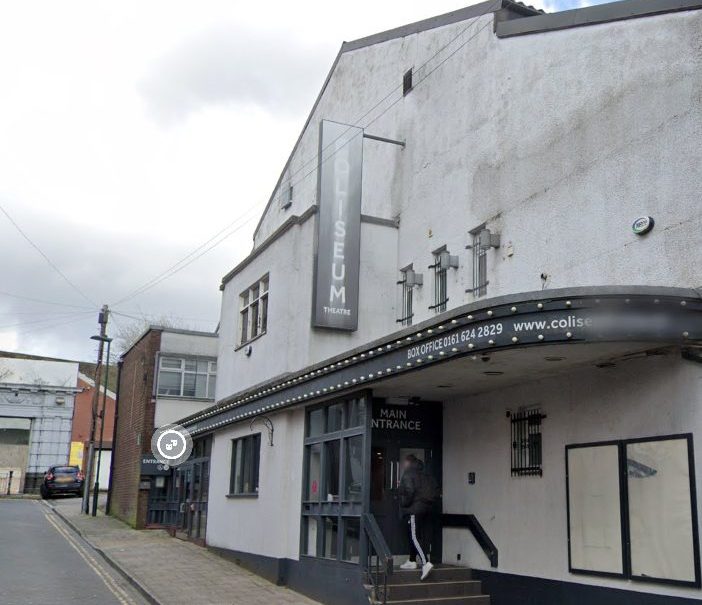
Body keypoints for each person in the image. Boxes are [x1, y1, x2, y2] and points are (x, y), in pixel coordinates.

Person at [398, 454, 437, 580]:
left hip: (414, 509)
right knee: (412, 534)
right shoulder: (423, 474)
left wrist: (403, 504)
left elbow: (409, 491)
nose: (403, 465)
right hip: (425, 509)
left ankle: (426, 563)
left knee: (414, 536)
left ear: (408, 463)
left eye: (404, 463)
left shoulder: (408, 473)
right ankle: (411, 560)